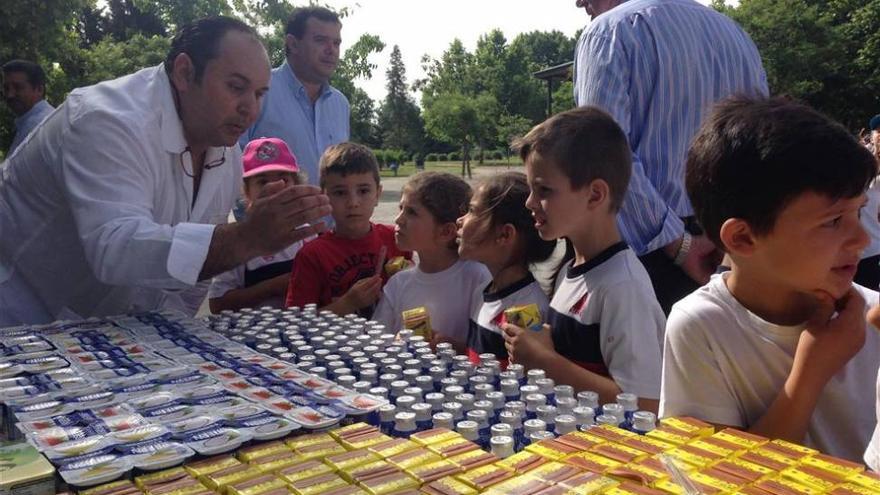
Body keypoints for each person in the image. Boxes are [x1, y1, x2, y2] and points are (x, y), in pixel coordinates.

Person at [0, 16, 331, 326]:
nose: (251, 108)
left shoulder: (226, 154)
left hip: (103, 333)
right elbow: (115, 248)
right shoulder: (106, 119)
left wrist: (176, 341)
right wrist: (249, 238)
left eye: (260, 94)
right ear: (185, 73)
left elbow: (189, 280)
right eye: (236, 87)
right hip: (17, 312)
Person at [661, 96, 880, 462]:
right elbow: (714, 478)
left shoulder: (872, 318)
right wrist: (811, 373)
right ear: (743, 238)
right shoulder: (703, 326)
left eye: (859, 212)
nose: (863, 239)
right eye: (833, 221)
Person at [573, 0, 768, 314]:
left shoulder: (609, 32)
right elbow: (760, 147)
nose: (579, 2)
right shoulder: (736, 35)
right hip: (729, 249)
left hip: (647, 257)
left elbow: (602, 155)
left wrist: (679, 245)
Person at [502, 107, 665, 412]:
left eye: (544, 190)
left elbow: (645, 404)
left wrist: (545, 362)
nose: (530, 202)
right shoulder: (571, 269)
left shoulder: (622, 287)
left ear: (595, 195)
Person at [285, 142, 408, 317]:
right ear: (324, 196)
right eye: (340, 193)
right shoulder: (312, 255)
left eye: (363, 191)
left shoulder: (397, 239)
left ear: (378, 194)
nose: (353, 203)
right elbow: (295, 322)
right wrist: (347, 304)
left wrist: (412, 278)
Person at [373, 171, 491, 351]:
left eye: (411, 212)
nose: (398, 219)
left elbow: (491, 353)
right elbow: (376, 342)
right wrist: (395, 344)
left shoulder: (478, 278)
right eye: (401, 208)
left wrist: (453, 348)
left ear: (446, 232)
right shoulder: (398, 283)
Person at [240, 6, 349, 186]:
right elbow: (233, 164)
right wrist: (253, 212)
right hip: (272, 214)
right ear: (293, 44)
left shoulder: (340, 104)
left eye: (336, 43)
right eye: (320, 40)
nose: (331, 50)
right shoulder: (260, 90)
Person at [457, 172, 556, 366]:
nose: (460, 220)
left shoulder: (528, 311)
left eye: (472, 211)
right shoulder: (482, 291)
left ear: (504, 234)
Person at [209, 137, 311, 312]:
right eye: (262, 181)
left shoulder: (307, 234)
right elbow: (217, 303)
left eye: (284, 179)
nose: (274, 188)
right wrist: (271, 287)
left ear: (296, 184)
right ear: (247, 191)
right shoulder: (237, 239)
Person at [2, 60, 55, 156]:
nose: (10, 95)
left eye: (18, 87)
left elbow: (12, 170)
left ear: (39, 89)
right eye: (6, 88)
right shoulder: (41, 119)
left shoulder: (37, 125)